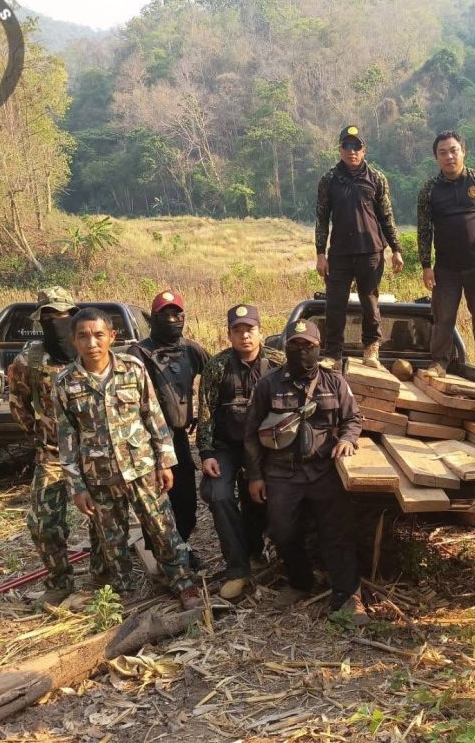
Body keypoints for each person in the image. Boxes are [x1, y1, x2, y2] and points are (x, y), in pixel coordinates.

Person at [54, 308, 201, 611]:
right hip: (99, 476)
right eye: (83, 336)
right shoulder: (66, 383)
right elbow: (66, 440)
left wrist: (164, 462)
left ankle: (182, 582)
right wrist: (77, 487)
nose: (91, 343)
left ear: (111, 336)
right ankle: (125, 591)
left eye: (98, 335)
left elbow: (153, 416)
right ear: (74, 340)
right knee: (112, 539)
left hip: (142, 467)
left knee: (163, 528)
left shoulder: (132, 369)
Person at [243, 319, 367, 623]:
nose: (301, 351)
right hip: (282, 473)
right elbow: (251, 433)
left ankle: (348, 595)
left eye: (307, 345)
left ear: (318, 347)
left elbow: (353, 418)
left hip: (324, 470)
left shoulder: (334, 382)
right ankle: (300, 582)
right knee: (282, 532)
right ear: (285, 347)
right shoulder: (268, 385)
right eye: (295, 345)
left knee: (337, 533)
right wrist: (255, 476)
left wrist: (348, 440)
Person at [8, 287, 108, 608]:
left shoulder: (90, 351)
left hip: (93, 452)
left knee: (103, 517)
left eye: (63, 315)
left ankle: (102, 577)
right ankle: (59, 581)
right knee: (43, 523)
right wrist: (40, 437)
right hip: (52, 455)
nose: (57, 322)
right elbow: (18, 404)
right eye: (49, 316)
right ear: (40, 319)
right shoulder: (30, 360)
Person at [196, 304, 284, 600]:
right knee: (219, 495)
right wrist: (206, 453)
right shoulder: (217, 366)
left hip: (264, 447)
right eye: (238, 330)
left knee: (258, 498)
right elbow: (205, 412)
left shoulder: (278, 362)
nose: (245, 336)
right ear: (229, 334)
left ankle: (256, 552)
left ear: (260, 331)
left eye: (250, 329)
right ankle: (237, 568)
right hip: (226, 446)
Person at [127, 290, 209, 570]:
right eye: (165, 315)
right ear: (154, 318)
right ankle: (163, 557)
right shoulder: (138, 353)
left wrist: (201, 412)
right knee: (156, 503)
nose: (172, 319)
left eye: (177, 314)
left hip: (178, 438)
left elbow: (216, 374)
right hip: (147, 440)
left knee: (185, 500)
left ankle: (181, 546)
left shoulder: (190, 349)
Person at [417, 130, 475, 377]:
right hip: (445, 268)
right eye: (443, 152)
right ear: (436, 157)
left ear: (463, 152)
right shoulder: (429, 190)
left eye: (453, 150)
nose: (449, 156)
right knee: (443, 318)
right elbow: (424, 230)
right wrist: (426, 265)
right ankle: (439, 363)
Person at [315, 125, 403, 370]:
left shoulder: (377, 178)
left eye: (356, 146)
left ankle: (371, 349)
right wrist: (320, 253)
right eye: (347, 145)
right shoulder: (329, 179)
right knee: (335, 304)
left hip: (371, 251)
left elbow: (386, 216)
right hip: (340, 253)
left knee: (370, 302)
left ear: (364, 149)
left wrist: (396, 249)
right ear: (340, 149)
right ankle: (332, 353)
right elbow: (322, 218)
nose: (351, 151)